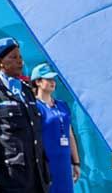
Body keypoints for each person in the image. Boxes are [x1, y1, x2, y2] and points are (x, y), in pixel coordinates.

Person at [0, 38, 50, 193]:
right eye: (13, 57)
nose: (20, 61)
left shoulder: (26, 90)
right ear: (0, 62)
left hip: (36, 175)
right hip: (9, 177)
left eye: (20, 57)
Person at [31, 64, 80, 193]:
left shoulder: (62, 105)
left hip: (64, 163)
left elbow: (70, 134)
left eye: (53, 79)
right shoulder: (34, 106)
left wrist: (76, 162)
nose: (53, 82)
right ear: (38, 82)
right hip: (46, 163)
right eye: (48, 79)